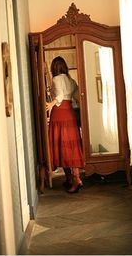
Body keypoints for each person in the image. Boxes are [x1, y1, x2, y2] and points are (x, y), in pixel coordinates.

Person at [46, 56, 85, 193]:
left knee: (61, 145)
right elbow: (77, 97)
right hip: (69, 114)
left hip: (59, 113)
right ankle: (70, 178)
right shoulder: (71, 80)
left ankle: (75, 179)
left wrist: (51, 104)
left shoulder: (56, 79)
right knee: (70, 145)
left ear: (54, 68)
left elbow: (60, 95)